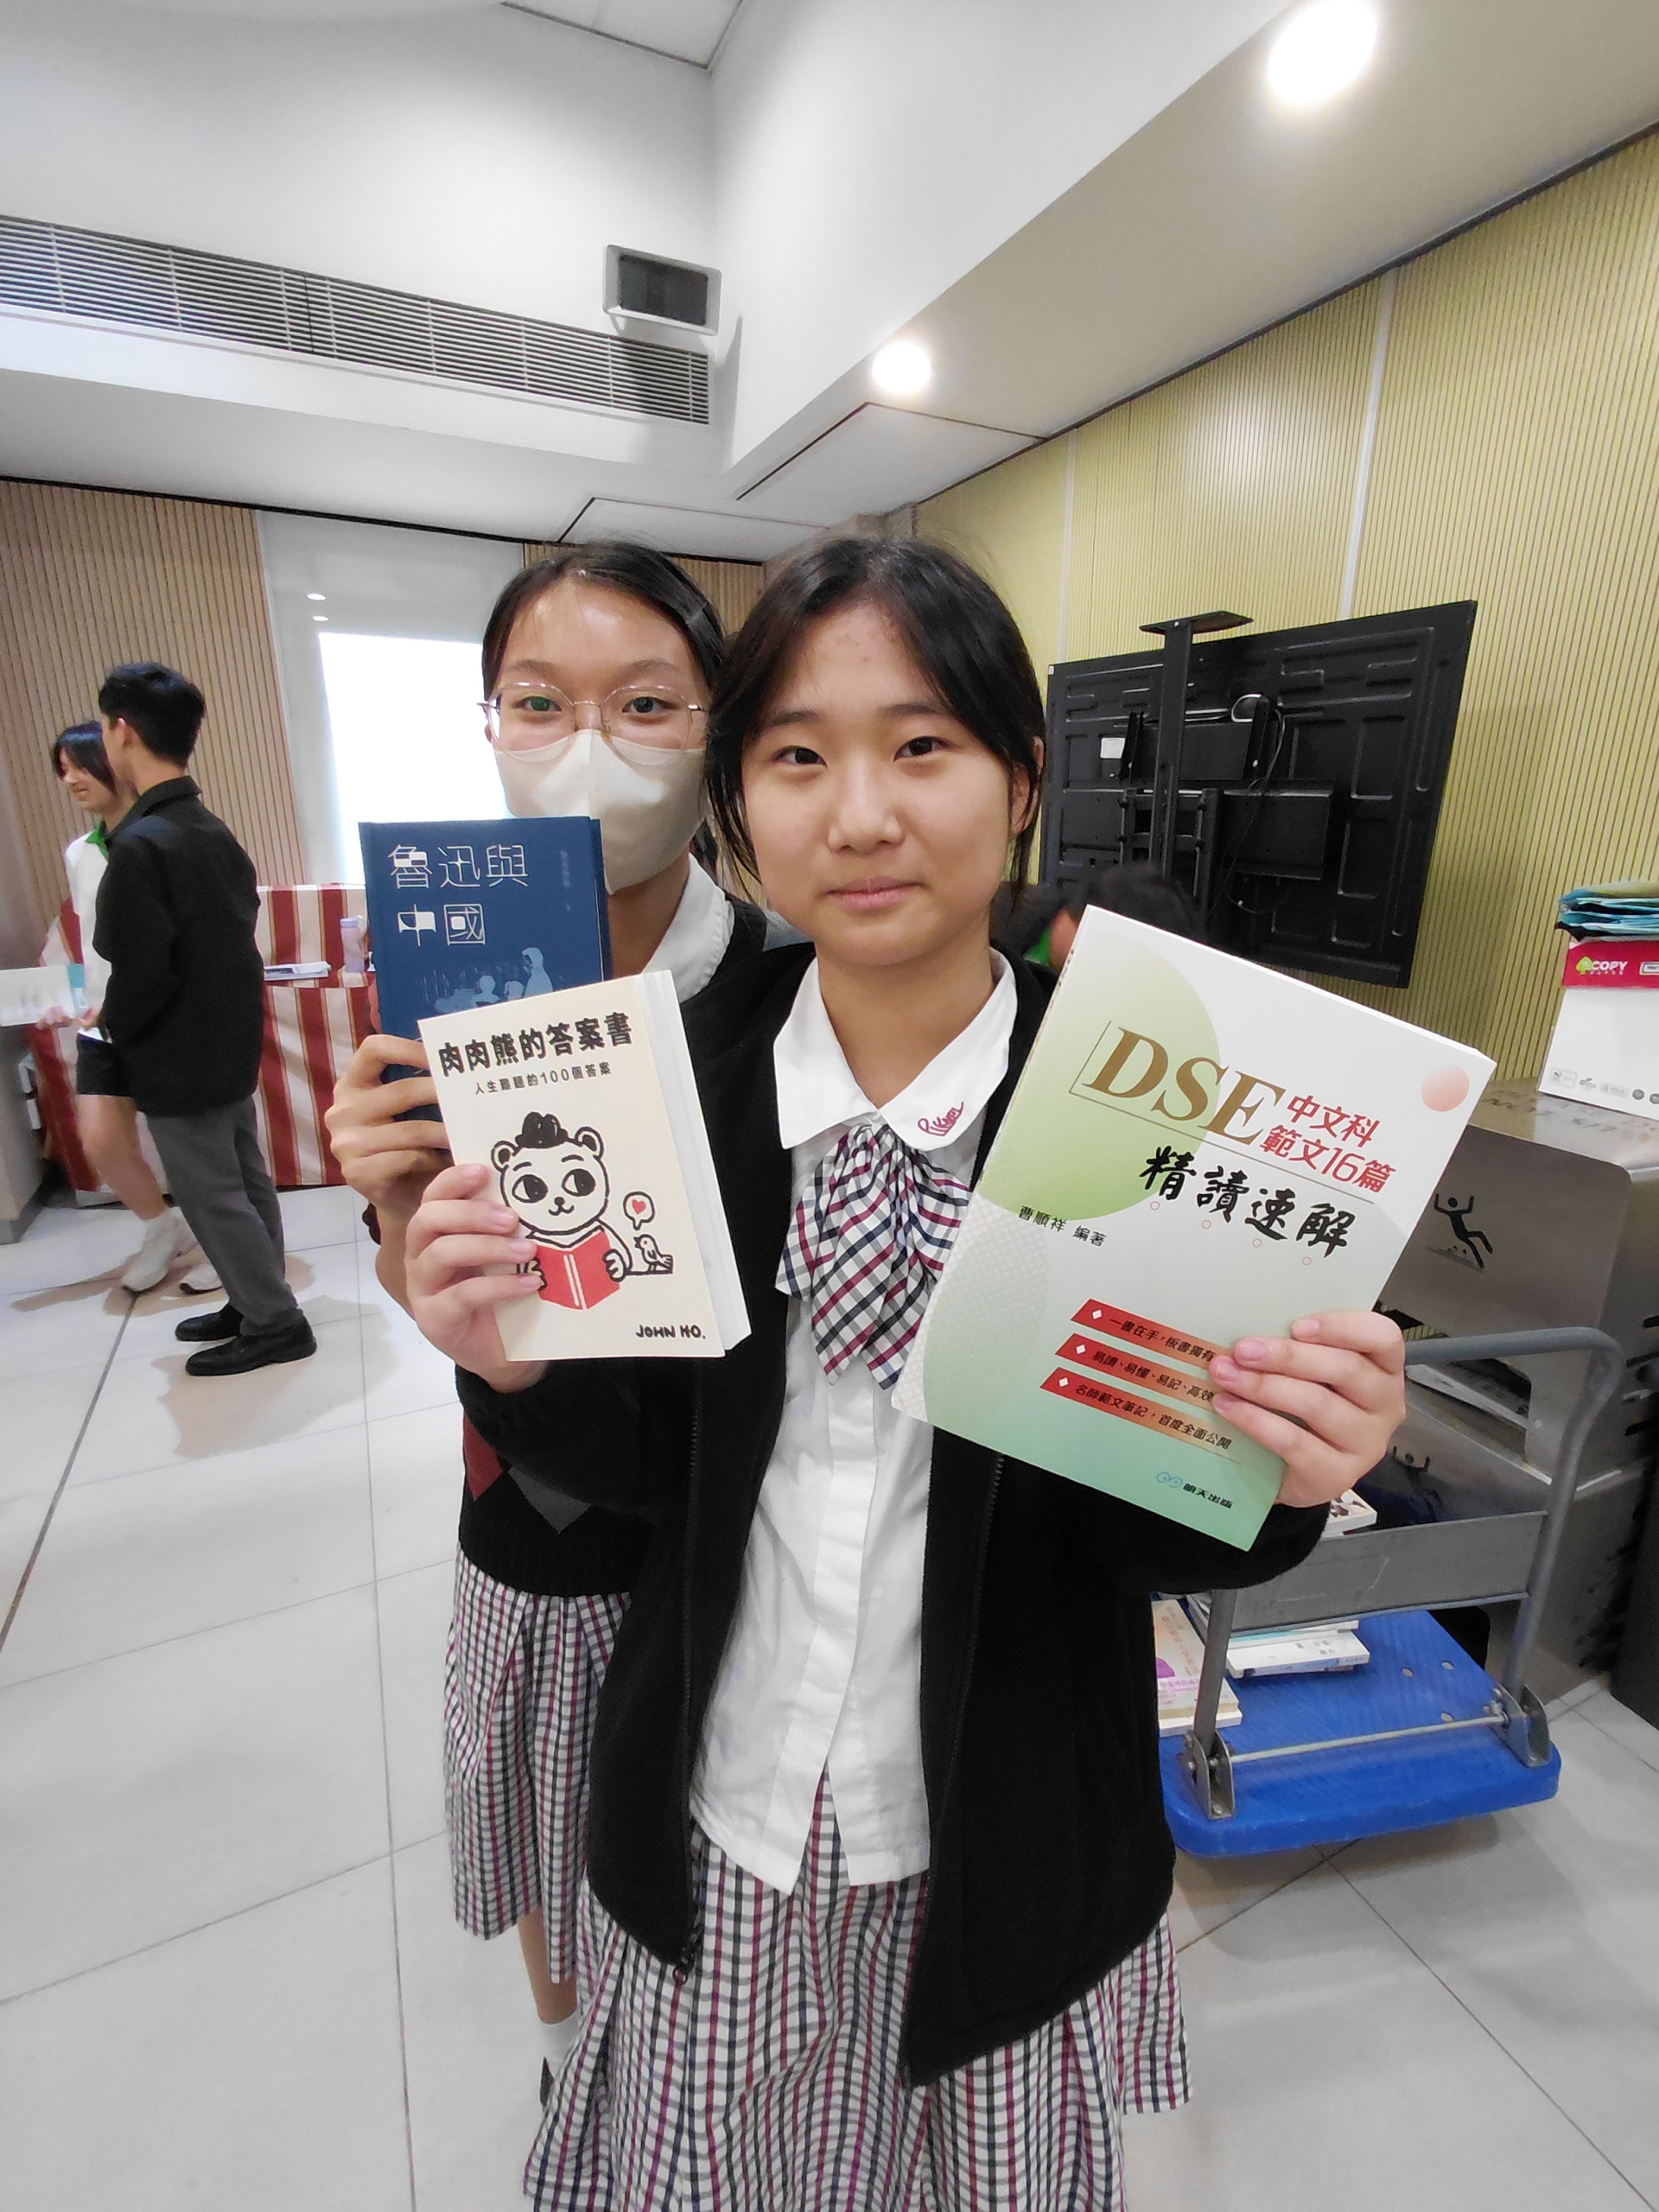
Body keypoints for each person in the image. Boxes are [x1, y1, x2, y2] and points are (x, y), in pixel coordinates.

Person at [402, 538, 1408, 2211]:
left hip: (1001, 1840)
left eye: (922, 743)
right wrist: (509, 1363)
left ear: (1022, 782)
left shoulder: (1158, 1110)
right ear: (739, 799)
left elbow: (1150, 1534)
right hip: (720, 1811)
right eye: (799, 754)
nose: (861, 813)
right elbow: (645, 1474)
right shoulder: (669, 1087)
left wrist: (1289, 1473)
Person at [326, 544, 772, 2103]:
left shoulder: (790, 982)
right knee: (551, 1832)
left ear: (715, 732)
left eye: (645, 703)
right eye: (540, 702)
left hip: (738, 1523)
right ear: (490, 725)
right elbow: (427, 1291)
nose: (588, 744)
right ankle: (577, 2066)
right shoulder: (443, 977)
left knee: (718, 1872)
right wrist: (397, 1204)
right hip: (538, 1509)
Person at [94, 663, 315, 1376]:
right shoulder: (207, 829)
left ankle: (274, 1322)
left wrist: (116, 1031)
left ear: (122, 731)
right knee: (244, 1181)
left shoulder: (143, 843)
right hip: (224, 1040)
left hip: (176, 1050)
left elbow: (140, 969)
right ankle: (257, 1299)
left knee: (211, 1194)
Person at [48, 722, 192, 1291]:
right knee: (102, 1140)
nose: (70, 780)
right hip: (101, 1020)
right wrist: (73, 995)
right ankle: (161, 1227)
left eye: (79, 766)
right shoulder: (79, 853)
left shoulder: (163, 839)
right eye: (62, 771)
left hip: (164, 1015)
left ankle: (227, 1245)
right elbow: (92, 938)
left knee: (193, 1145)